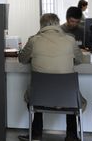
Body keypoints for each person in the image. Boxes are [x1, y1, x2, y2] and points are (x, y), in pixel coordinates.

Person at [18, 13, 83, 141]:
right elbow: (80, 60)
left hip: (40, 96)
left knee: (38, 90)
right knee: (69, 90)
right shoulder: (70, 40)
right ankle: (71, 136)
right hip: (67, 98)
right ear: (58, 24)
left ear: (41, 25)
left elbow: (22, 59)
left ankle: (36, 134)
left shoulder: (33, 40)